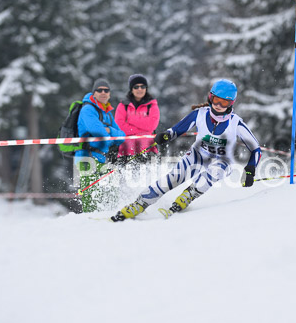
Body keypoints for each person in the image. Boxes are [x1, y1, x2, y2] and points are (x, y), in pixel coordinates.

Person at [111, 79, 261, 222]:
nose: (219, 105)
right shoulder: (200, 114)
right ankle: (139, 203)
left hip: (222, 160)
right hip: (197, 155)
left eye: (225, 102)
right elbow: (177, 129)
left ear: (231, 103)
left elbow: (256, 149)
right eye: (216, 100)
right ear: (210, 97)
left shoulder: (236, 123)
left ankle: (187, 196)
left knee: (213, 173)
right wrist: (166, 136)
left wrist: (250, 170)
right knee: (173, 178)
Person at [75, 78, 126, 212]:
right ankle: (88, 223)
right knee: (91, 195)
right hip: (87, 157)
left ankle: (110, 220)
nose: (103, 92)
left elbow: (121, 137)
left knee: (111, 194)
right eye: (99, 90)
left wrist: (109, 131)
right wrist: (110, 135)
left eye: (106, 90)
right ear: (94, 93)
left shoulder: (107, 113)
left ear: (109, 94)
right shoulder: (87, 109)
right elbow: (96, 131)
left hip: (105, 158)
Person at [115, 74, 160, 164]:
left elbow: (152, 125)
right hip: (126, 150)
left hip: (148, 150)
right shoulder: (123, 105)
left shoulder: (152, 104)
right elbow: (119, 126)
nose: (139, 89)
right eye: (136, 87)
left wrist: (131, 119)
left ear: (146, 88)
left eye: (142, 86)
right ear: (131, 89)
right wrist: (142, 131)